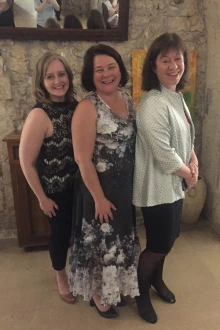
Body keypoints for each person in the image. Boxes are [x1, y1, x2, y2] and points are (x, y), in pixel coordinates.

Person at [69, 44, 140, 318]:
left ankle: (114, 289)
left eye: (111, 67)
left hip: (123, 190)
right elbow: (82, 159)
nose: (107, 74)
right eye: (99, 70)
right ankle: (98, 295)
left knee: (119, 243)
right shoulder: (87, 108)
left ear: (120, 69)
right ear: (91, 75)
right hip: (98, 190)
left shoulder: (127, 98)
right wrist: (99, 198)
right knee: (98, 244)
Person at [133, 32, 198, 324]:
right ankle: (141, 293)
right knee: (158, 245)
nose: (173, 65)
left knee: (168, 242)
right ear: (154, 66)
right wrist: (190, 174)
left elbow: (186, 138)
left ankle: (157, 282)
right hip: (156, 189)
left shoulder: (177, 97)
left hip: (173, 187)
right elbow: (164, 154)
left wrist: (193, 161)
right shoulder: (152, 103)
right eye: (165, 60)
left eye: (177, 59)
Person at [19, 52, 79, 305]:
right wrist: (42, 198)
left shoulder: (76, 105)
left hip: (79, 187)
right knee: (60, 236)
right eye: (50, 76)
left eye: (61, 74)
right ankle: (60, 276)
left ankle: (78, 271)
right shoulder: (39, 115)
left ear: (68, 76)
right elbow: (26, 162)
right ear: (41, 82)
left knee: (78, 233)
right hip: (55, 191)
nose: (57, 81)